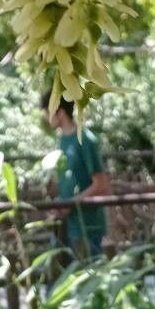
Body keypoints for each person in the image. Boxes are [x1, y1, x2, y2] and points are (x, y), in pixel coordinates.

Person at [41, 91, 109, 259]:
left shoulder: (86, 139)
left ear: (61, 113)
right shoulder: (62, 141)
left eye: (48, 112)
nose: (46, 117)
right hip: (68, 225)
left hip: (87, 226)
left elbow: (100, 185)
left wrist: (70, 204)